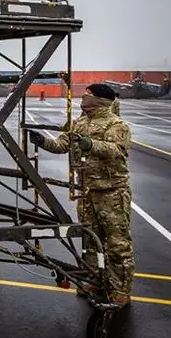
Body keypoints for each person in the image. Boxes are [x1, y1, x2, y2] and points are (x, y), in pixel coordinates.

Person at [28, 83, 133, 306]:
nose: (84, 99)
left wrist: (90, 144)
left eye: (88, 95)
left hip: (111, 193)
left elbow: (117, 151)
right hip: (86, 193)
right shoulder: (80, 123)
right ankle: (93, 279)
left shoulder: (117, 125)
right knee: (90, 241)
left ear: (101, 100)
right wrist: (43, 141)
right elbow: (62, 145)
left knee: (117, 244)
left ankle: (120, 290)